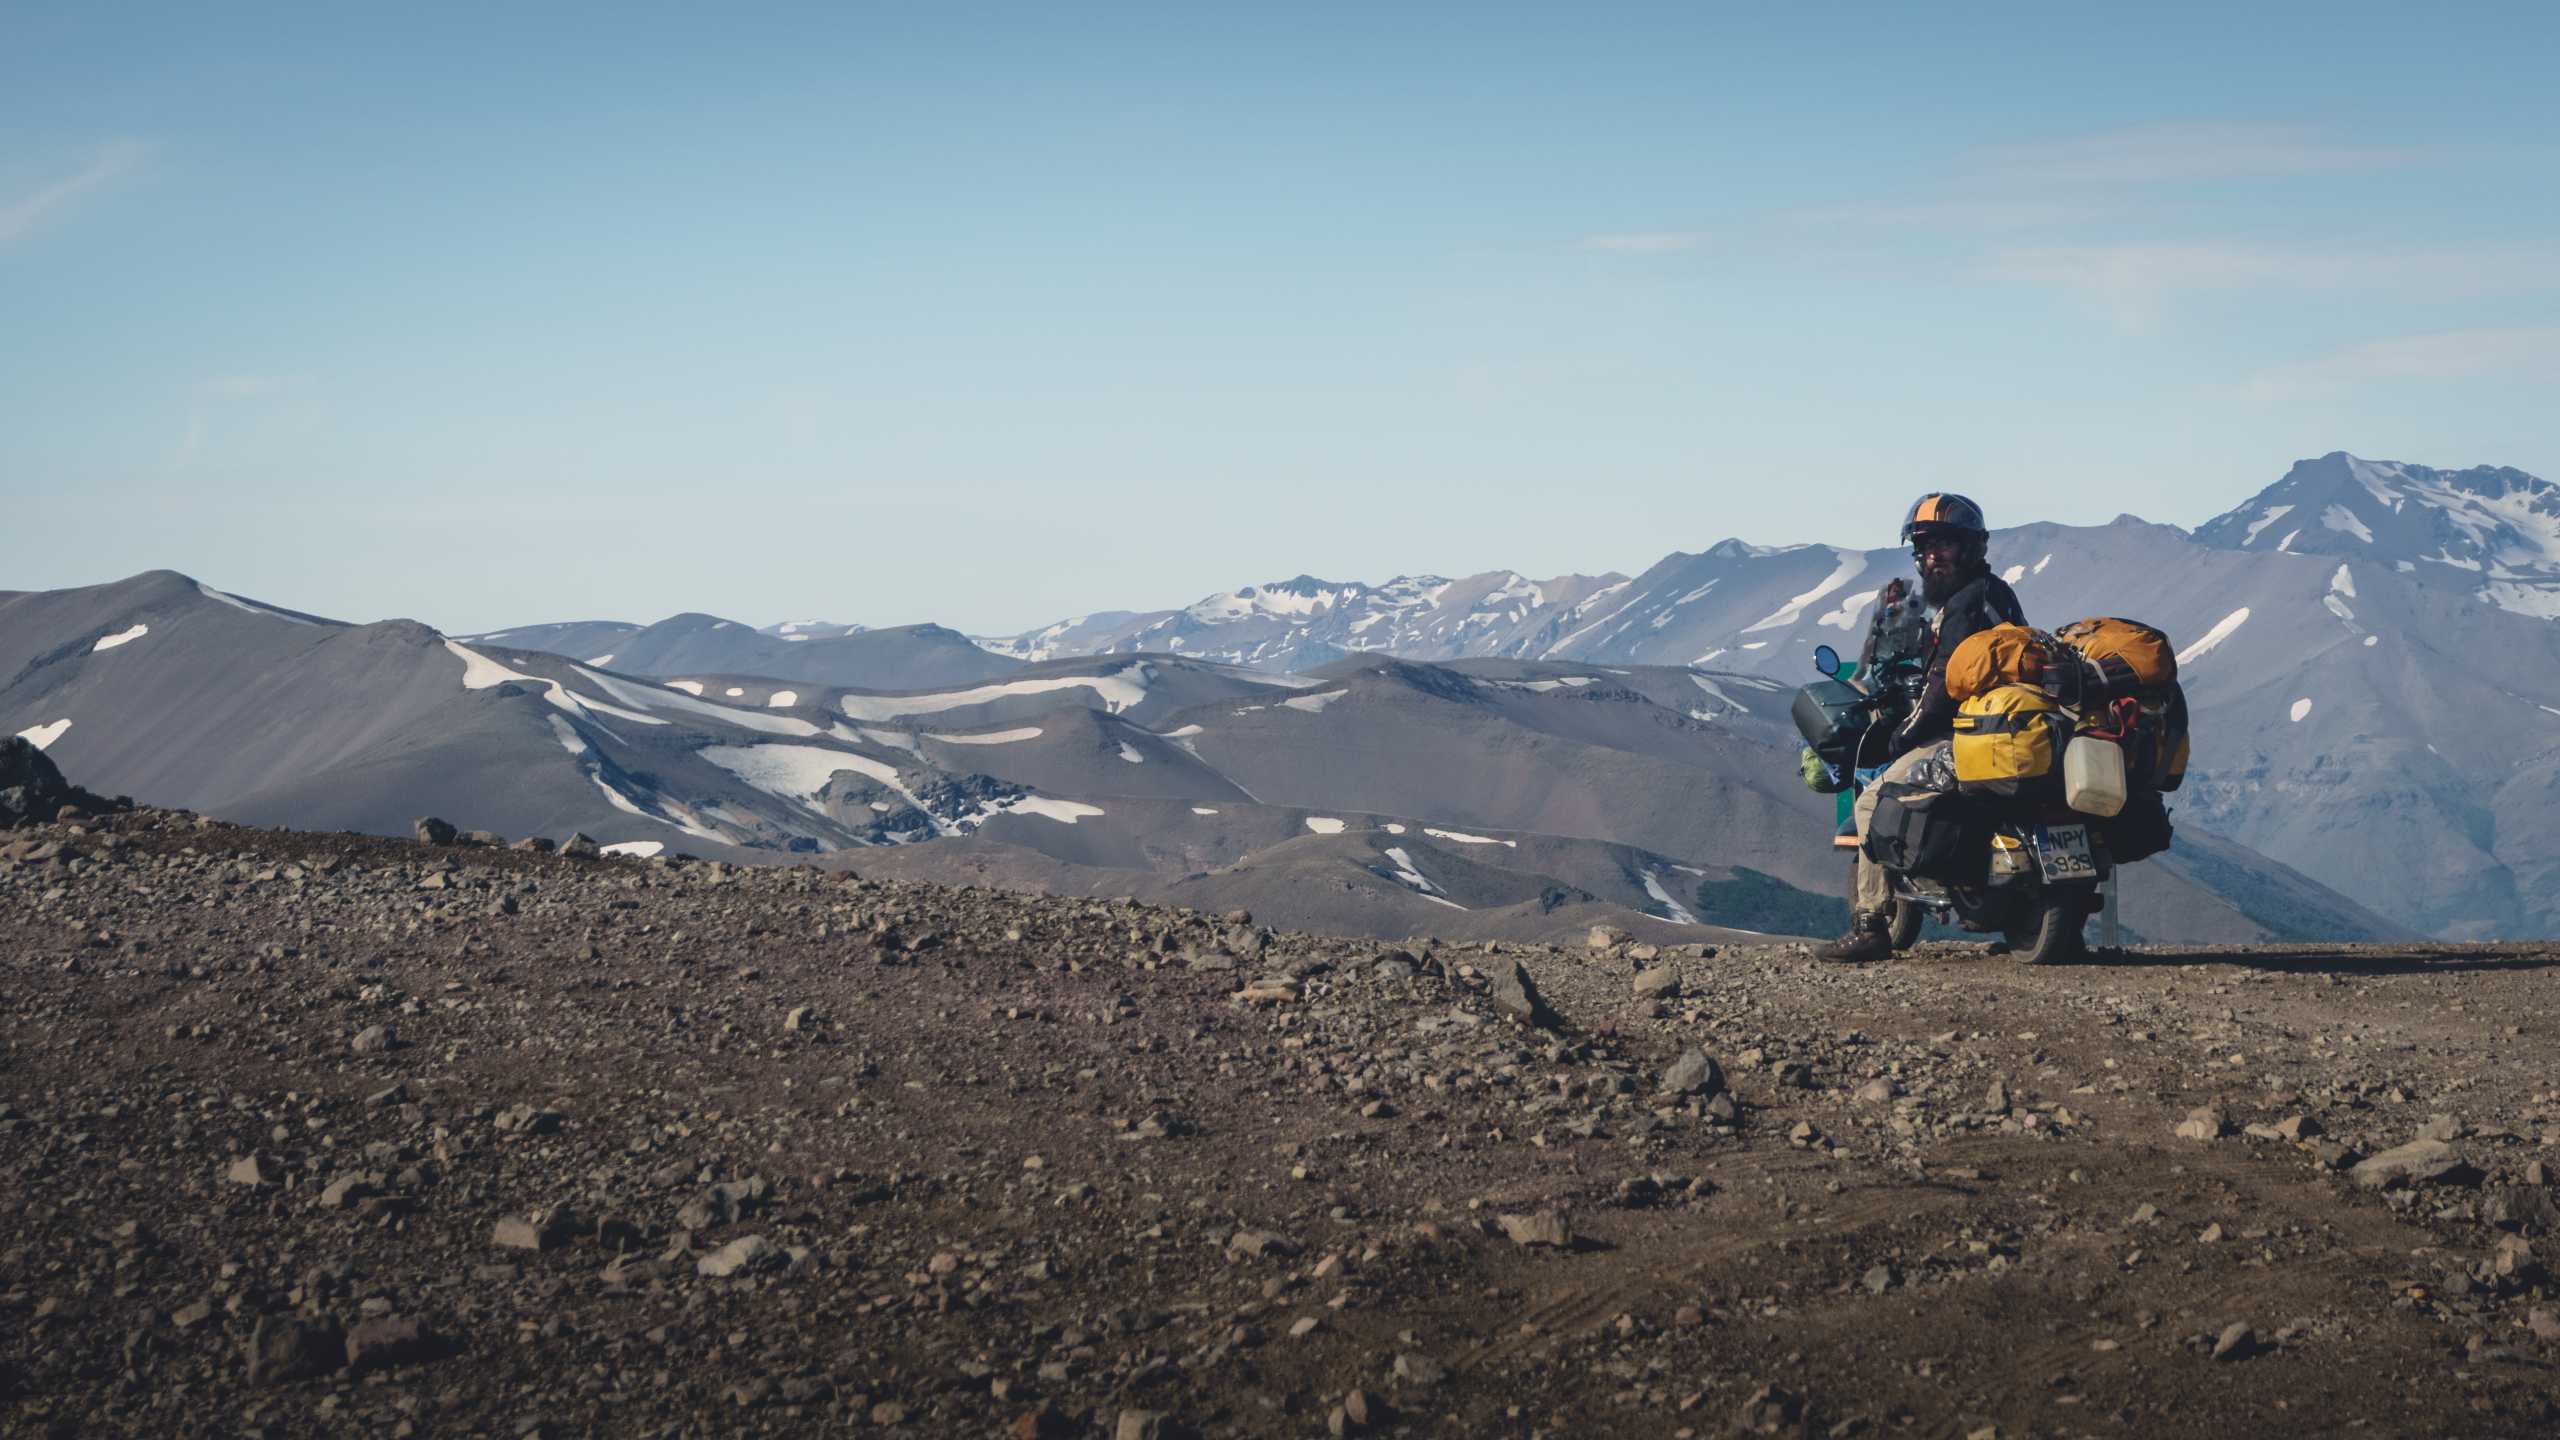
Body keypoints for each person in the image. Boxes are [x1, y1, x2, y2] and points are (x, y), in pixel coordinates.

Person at [1816, 493, 2025, 963]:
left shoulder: (1963, 607)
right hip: (2009, 730)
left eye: (1946, 544)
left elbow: (1942, 687)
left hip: (1963, 736)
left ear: (1972, 547)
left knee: (1873, 801)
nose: (1934, 555)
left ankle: (1869, 924)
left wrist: (1902, 735)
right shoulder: (1998, 596)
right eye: (1927, 546)